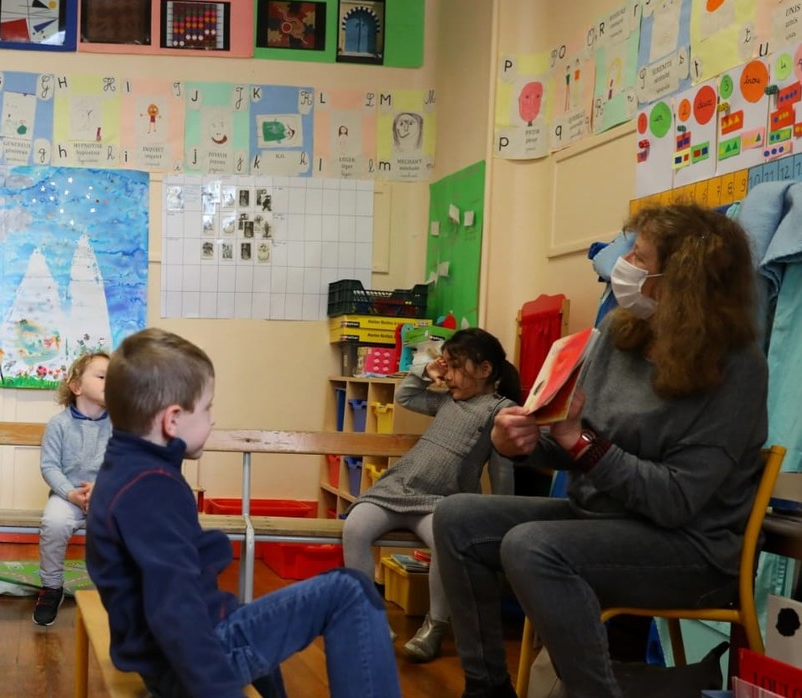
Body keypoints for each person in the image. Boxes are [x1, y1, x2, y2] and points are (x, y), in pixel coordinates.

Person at [434, 203, 768, 698]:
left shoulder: (737, 367)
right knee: (457, 518)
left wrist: (579, 442)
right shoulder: (619, 334)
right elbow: (569, 435)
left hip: (693, 550)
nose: (623, 265)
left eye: (638, 255)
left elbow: (675, 500)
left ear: (678, 282)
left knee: (531, 546)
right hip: (601, 519)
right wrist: (520, 443)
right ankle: (488, 689)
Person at [87, 328, 401, 698]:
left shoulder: (126, 465)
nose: (212, 419)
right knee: (351, 590)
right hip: (188, 661)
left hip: (179, 647)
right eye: (207, 408)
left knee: (255, 611)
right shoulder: (151, 488)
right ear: (172, 420)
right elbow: (175, 610)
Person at [342, 328, 520, 663]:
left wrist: (501, 513)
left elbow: (502, 468)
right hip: (397, 489)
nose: (448, 375)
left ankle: (435, 625)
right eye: (447, 366)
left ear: (484, 370)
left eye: (455, 367)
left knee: (446, 541)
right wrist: (427, 371)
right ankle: (370, 618)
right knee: (354, 527)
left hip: (442, 500)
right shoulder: (447, 400)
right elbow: (406, 397)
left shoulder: (500, 410)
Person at [33, 351, 112, 627]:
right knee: (53, 523)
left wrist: (102, 488)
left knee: (125, 527)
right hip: (67, 496)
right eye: (102, 376)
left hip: (107, 495)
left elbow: (124, 463)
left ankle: (116, 589)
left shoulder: (120, 425)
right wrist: (70, 493)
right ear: (76, 386)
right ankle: (51, 587)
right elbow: (50, 467)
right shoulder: (59, 424)